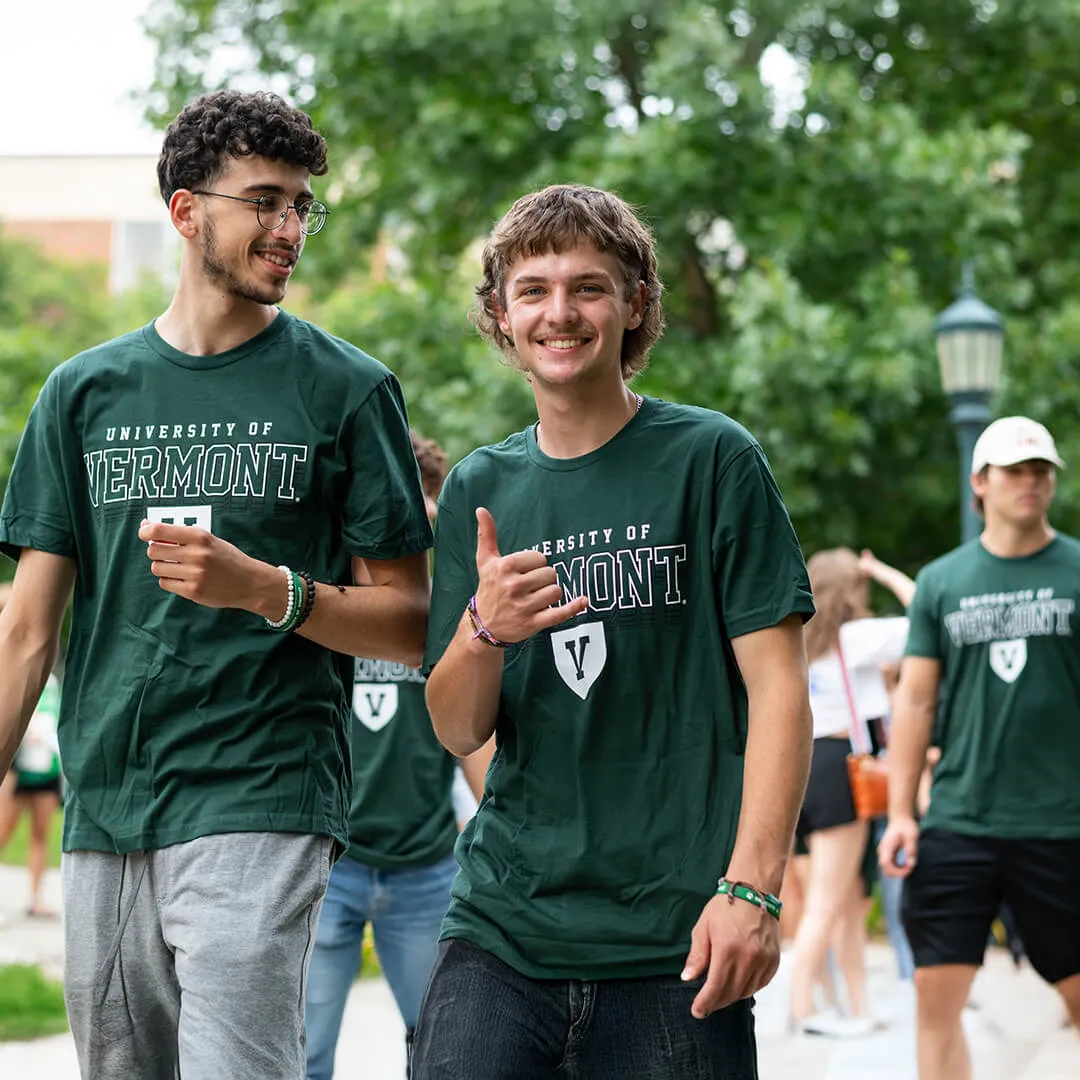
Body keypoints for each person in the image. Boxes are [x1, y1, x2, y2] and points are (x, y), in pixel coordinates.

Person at [0, 90, 432, 1080]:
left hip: (264, 793)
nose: (290, 231)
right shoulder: (80, 393)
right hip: (107, 801)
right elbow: (26, 632)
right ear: (188, 212)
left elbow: (412, 622)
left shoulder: (346, 389)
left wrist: (268, 591)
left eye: (302, 208)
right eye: (266, 202)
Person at [410, 183, 815, 1080]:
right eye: (534, 289)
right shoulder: (480, 488)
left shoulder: (712, 460)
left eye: (589, 287)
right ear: (501, 314)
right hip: (502, 931)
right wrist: (483, 629)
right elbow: (454, 727)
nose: (561, 312)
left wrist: (753, 889)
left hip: (674, 944)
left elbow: (781, 688)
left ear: (635, 304)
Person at [879, 415, 1080, 1080]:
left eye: (1040, 471)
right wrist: (903, 811)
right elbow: (914, 701)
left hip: (1062, 823)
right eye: (1016, 471)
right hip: (960, 822)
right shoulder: (942, 582)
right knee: (937, 1005)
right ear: (980, 483)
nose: (1031, 482)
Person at [304, 430, 494, 1080]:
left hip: (424, 864)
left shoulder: (447, 606)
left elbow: (473, 739)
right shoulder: (314, 600)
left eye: (423, 509)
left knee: (445, 1050)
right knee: (301, 1055)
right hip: (329, 866)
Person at [788, 548, 914, 1036]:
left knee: (843, 896)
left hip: (799, 771)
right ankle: (804, 1009)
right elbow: (924, 609)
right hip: (840, 770)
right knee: (827, 899)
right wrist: (881, 569)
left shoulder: (798, 636)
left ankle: (853, 1004)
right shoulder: (855, 638)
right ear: (851, 590)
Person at [0, 583, 64, 919]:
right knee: (3, 829)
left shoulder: (49, 674)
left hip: (47, 764)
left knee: (41, 834)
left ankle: (35, 898)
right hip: (14, 763)